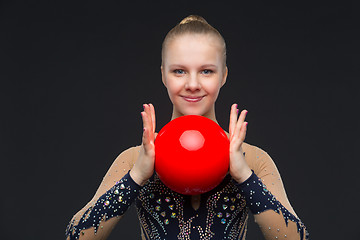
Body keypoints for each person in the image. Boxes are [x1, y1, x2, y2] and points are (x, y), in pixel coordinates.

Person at [65, 15, 309, 240]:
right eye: (179, 71)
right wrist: (136, 176)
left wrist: (244, 175)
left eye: (206, 71)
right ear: (163, 75)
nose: (192, 84)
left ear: (223, 75)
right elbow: (75, 236)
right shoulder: (134, 159)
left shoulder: (254, 160)